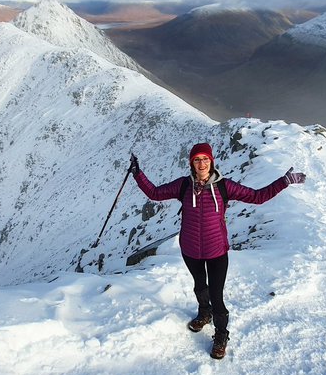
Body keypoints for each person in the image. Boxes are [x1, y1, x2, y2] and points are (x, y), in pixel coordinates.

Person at [129, 142, 306, 360]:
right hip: (190, 249)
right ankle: (204, 313)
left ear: (211, 161)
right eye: (197, 159)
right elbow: (155, 193)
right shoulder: (183, 186)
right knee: (199, 285)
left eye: (205, 159)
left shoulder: (224, 186)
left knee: (217, 295)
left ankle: (221, 334)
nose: (201, 163)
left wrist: (284, 181)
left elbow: (257, 197)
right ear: (191, 164)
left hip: (216, 252)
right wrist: (138, 174)